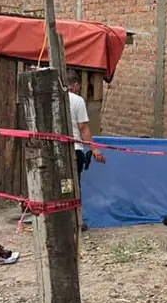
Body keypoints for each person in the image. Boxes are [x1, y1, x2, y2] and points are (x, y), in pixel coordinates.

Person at [69, 74, 105, 231]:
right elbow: (83, 128)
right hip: (74, 150)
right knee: (74, 187)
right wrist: (94, 149)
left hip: (55, 150)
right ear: (75, 84)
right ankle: (76, 221)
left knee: (61, 186)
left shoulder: (54, 98)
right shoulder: (77, 101)